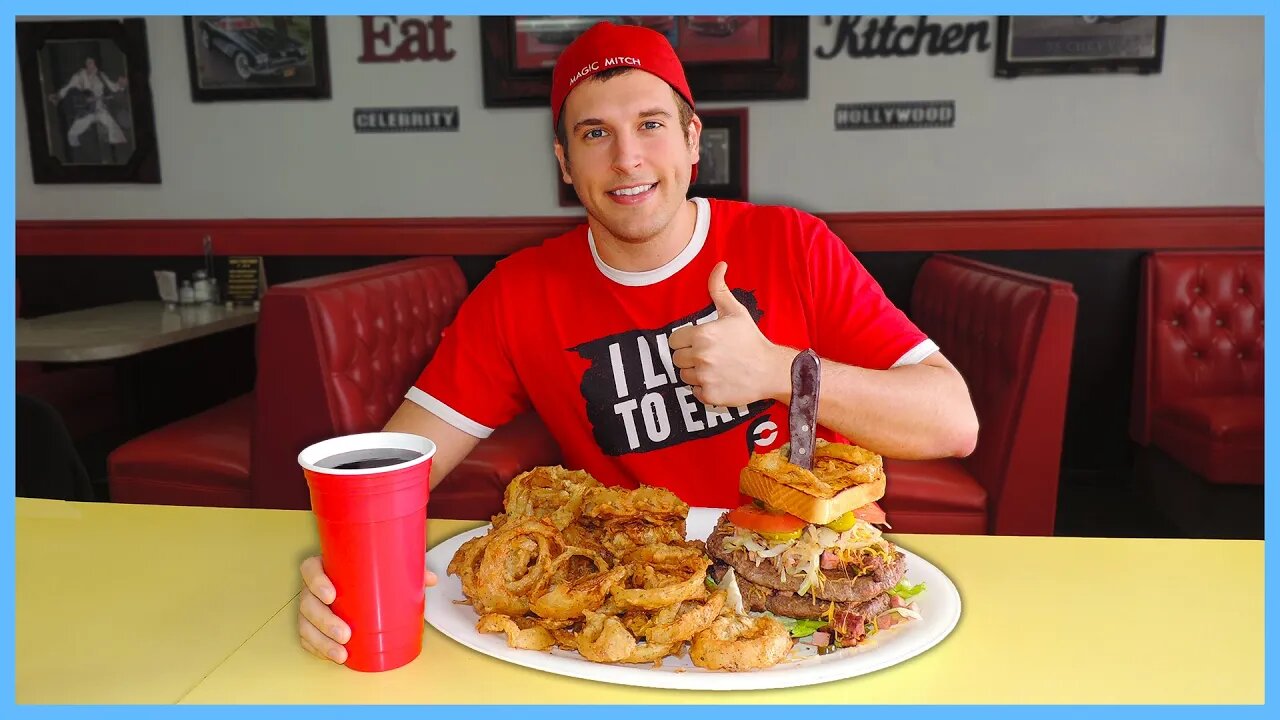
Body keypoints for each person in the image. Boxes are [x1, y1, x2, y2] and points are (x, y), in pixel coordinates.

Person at [297, 21, 980, 664]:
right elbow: (398, 468)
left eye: (650, 125)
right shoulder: (517, 293)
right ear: (565, 162)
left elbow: (953, 421)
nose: (627, 158)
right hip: (632, 612)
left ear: (691, 138)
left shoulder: (792, 244)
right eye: (595, 133)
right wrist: (342, 570)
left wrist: (781, 370)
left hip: (812, 600)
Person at [47, 56, 130, 150]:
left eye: (93, 63)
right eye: (89, 63)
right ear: (85, 65)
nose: (92, 65)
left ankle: (120, 147)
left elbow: (113, 87)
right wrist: (58, 96)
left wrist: (121, 85)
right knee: (78, 128)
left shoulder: (100, 75)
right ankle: (74, 144)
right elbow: (68, 87)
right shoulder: (79, 76)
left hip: (99, 107)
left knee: (111, 124)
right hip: (86, 108)